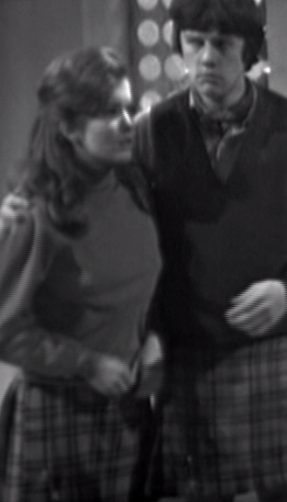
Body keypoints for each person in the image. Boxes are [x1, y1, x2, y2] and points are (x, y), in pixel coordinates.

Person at [135, 0, 287, 502]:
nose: (207, 58)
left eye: (222, 44)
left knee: (286, 494)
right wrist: (148, 333)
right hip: (190, 346)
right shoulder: (152, 131)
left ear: (249, 50)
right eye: (195, 43)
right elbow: (134, 243)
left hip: (276, 342)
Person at [0, 47, 162, 502]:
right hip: (58, 412)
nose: (128, 122)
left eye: (129, 107)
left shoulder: (134, 189)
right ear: (69, 128)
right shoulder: (36, 212)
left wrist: (152, 340)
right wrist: (86, 364)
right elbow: (3, 327)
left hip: (126, 408)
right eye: (110, 112)